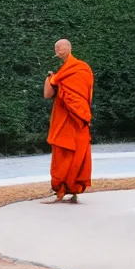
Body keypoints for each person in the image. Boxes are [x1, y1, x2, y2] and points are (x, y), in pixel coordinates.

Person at [42, 39, 94, 204]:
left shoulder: (80, 68)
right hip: (63, 117)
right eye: (56, 47)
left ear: (69, 48)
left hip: (77, 118)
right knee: (61, 152)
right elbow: (48, 94)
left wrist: (55, 80)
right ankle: (59, 188)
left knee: (76, 152)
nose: (57, 48)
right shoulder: (60, 73)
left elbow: (85, 92)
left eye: (61, 46)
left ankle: (73, 189)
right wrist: (51, 80)